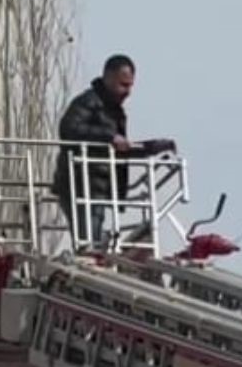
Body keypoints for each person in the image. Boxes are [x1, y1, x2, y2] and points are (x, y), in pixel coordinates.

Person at [51, 54, 176, 250]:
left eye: (130, 86)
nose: (128, 92)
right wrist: (110, 137)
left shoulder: (113, 111)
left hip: (97, 187)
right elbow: (69, 129)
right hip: (80, 184)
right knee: (89, 244)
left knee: (94, 238)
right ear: (108, 78)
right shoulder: (88, 102)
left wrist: (148, 149)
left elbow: (116, 150)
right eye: (123, 85)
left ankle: (97, 251)